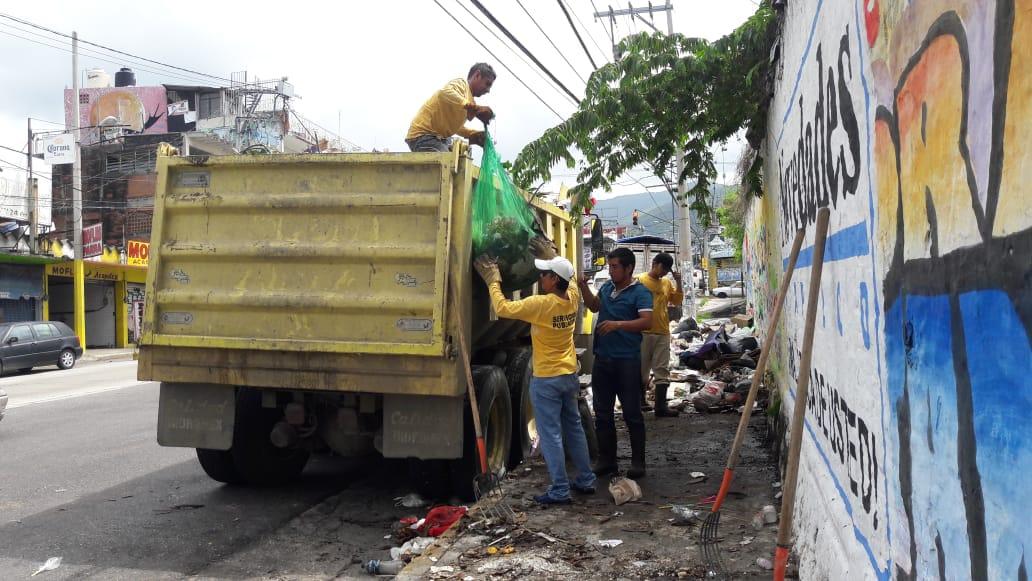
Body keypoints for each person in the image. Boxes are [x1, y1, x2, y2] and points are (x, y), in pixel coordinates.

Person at [474, 254, 596, 505]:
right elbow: (572, 282)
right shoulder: (572, 299)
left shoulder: (541, 305)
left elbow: (503, 308)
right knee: (573, 428)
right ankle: (586, 479)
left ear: (554, 279)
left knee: (550, 434)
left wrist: (493, 280)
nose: (540, 277)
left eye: (544, 274)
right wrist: (552, 254)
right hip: (568, 374)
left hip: (547, 379)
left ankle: (560, 489)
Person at [577, 248, 653, 479]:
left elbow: (646, 322)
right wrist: (583, 287)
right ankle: (607, 460)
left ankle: (638, 462)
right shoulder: (607, 287)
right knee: (602, 413)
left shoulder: (640, 292)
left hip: (627, 361)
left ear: (629, 268)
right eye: (609, 266)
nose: (611, 271)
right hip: (603, 359)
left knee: (631, 413)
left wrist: (617, 325)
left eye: (615, 267)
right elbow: (594, 307)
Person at [406, 63, 497, 152]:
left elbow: (455, 127)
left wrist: (472, 134)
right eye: (487, 84)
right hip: (422, 135)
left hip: (439, 138)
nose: (488, 90)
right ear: (477, 75)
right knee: (448, 162)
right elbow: (444, 92)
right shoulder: (461, 84)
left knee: (460, 156)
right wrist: (473, 107)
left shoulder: (470, 101)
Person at [637, 253, 684, 417]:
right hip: (642, 332)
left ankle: (660, 406)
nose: (664, 272)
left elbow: (676, 301)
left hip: (662, 331)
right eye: (662, 268)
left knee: (661, 369)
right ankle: (640, 402)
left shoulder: (666, 282)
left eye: (667, 270)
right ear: (654, 263)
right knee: (641, 369)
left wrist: (678, 281)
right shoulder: (640, 280)